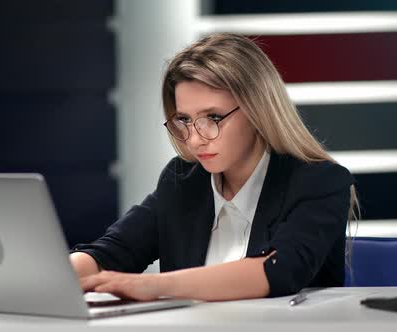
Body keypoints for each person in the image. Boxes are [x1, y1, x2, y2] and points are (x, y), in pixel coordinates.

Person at [69, 33, 358, 301]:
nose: (195, 138)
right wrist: (56, 275)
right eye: (184, 119)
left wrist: (155, 285)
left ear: (258, 109)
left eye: (214, 117)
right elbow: (114, 251)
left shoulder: (320, 181)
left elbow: (280, 270)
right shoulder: (182, 179)